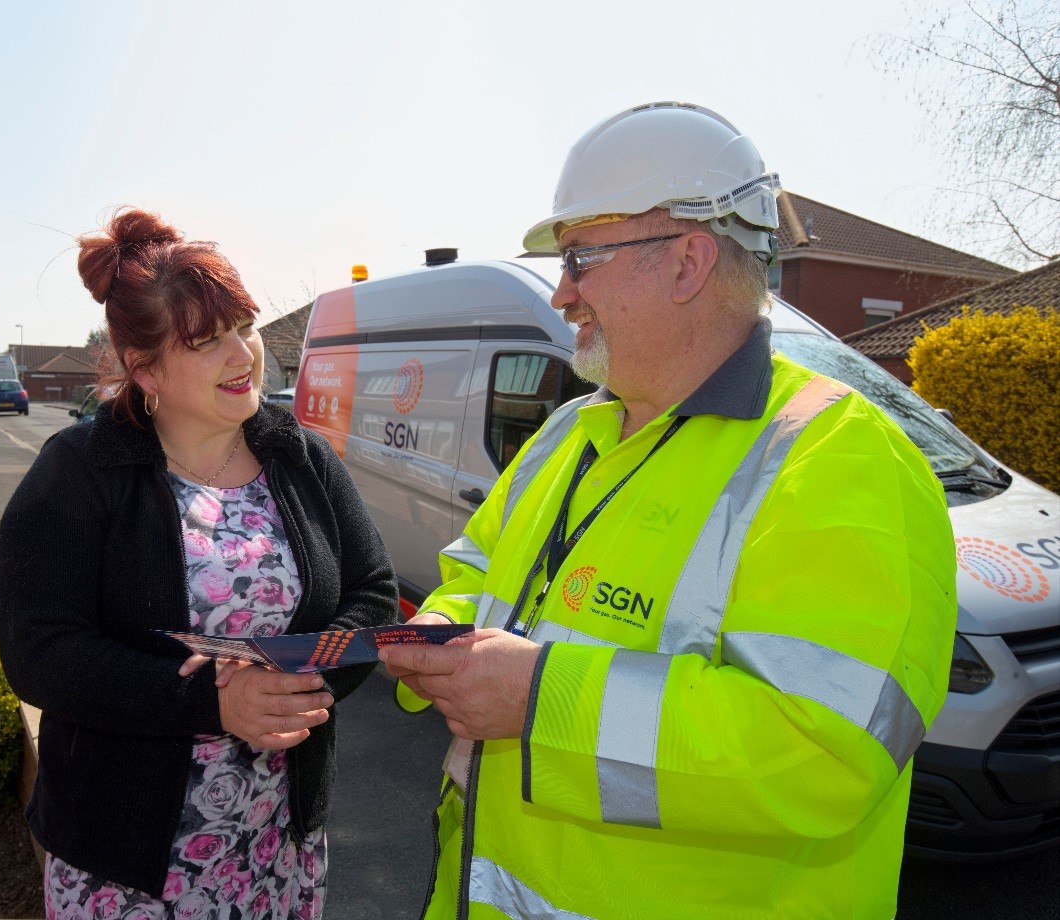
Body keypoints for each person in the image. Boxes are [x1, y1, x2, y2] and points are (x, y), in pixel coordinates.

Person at [379, 102, 957, 920]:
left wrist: (542, 697)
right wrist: (435, 638)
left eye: (581, 257)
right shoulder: (567, 433)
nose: (562, 292)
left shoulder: (840, 458)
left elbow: (823, 750)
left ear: (687, 262)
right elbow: (476, 573)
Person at [0, 208, 397, 919]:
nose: (244, 355)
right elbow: (40, 653)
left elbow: (371, 595)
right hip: (128, 866)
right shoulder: (81, 471)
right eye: (209, 342)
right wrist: (213, 701)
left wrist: (303, 678)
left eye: (244, 327)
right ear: (144, 369)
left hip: (278, 847)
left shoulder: (298, 457)